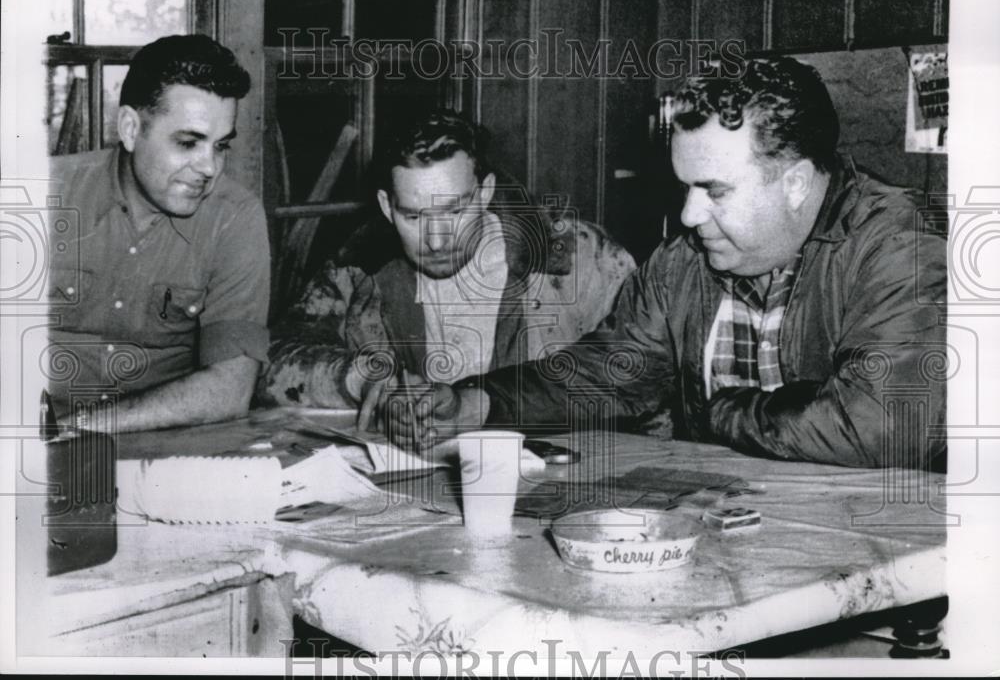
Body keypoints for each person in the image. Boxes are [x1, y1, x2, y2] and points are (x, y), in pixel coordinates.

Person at [388, 59, 948, 470]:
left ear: (796, 182)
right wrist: (479, 401)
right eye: (685, 187)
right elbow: (609, 372)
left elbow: (884, 426)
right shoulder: (686, 261)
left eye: (714, 190)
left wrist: (721, 413)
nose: (688, 213)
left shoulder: (899, 243)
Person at [259, 111, 637, 417]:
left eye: (454, 211)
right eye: (414, 217)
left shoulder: (578, 257)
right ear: (386, 207)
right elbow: (269, 362)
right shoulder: (357, 269)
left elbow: (646, 377)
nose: (437, 241)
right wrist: (364, 380)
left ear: (485, 192)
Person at [48, 34, 270, 433]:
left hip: (162, 447)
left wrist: (78, 428)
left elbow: (231, 388)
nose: (209, 168)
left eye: (221, 147)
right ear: (131, 129)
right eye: (188, 143)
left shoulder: (235, 218)